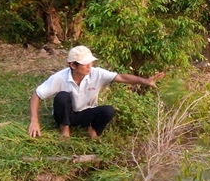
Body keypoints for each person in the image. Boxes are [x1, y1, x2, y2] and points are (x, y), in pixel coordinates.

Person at [28, 45, 164, 139]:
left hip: (86, 113)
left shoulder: (97, 73)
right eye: (85, 63)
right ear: (73, 65)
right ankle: (65, 130)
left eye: (90, 63)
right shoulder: (59, 77)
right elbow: (37, 95)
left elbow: (121, 77)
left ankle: (93, 130)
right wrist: (34, 121)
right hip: (65, 115)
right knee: (62, 96)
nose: (89, 66)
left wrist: (145, 81)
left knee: (108, 110)